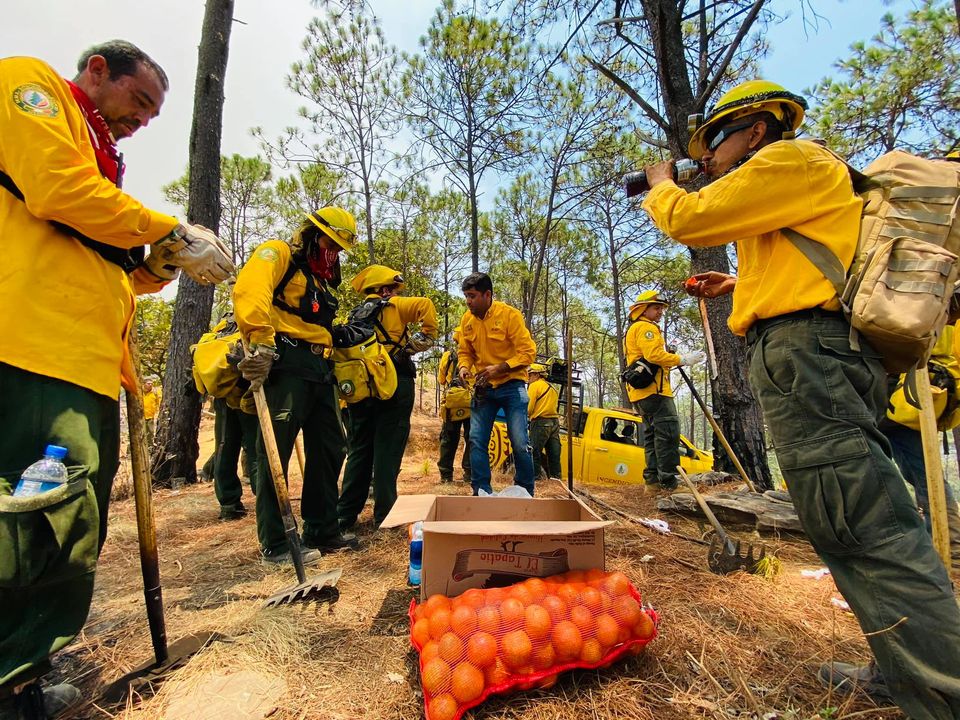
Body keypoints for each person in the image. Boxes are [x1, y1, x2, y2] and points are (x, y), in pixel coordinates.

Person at [648, 79, 960, 716]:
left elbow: (690, 217)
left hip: (810, 353)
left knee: (860, 518)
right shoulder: (791, 183)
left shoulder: (788, 160)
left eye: (713, 142)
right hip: (808, 352)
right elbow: (812, 262)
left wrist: (661, 185)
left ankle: (941, 690)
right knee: (847, 514)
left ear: (756, 129)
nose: (704, 159)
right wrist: (738, 281)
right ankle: (901, 666)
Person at [0, 41, 234, 717]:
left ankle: (26, 673)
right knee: (34, 522)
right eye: (139, 102)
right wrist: (170, 227)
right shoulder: (31, 89)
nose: (140, 121)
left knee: (72, 526)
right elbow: (52, 188)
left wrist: (160, 263)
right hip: (31, 350)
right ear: (98, 71)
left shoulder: (100, 168)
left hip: (88, 364)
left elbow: (113, 274)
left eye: (154, 115)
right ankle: (9, 682)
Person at [234, 207, 359, 564]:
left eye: (339, 248)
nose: (333, 253)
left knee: (332, 445)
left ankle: (321, 529)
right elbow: (249, 289)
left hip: (321, 368)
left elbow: (314, 322)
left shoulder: (320, 280)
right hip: (285, 363)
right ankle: (276, 542)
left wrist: (340, 336)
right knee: (275, 451)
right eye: (328, 243)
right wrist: (260, 339)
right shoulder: (278, 253)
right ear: (310, 235)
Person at [337, 265, 437, 530]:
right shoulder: (392, 306)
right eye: (392, 289)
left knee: (359, 451)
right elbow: (426, 305)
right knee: (387, 451)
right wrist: (417, 343)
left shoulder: (355, 315)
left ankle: (345, 515)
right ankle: (385, 516)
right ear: (383, 289)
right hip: (394, 383)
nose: (395, 294)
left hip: (362, 389)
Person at [881, 324, 960, 571]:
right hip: (911, 386)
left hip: (906, 387)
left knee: (923, 471)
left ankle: (950, 546)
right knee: (921, 470)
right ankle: (946, 544)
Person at [457, 272, 537, 496]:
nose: (468, 301)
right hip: (483, 388)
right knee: (476, 440)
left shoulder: (509, 315)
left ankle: (524, 492)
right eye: (466, 296)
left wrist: (500, 367)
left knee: (520, 442)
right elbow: (465, 351)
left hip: (512, 385)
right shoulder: (467, 320)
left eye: (472, 296)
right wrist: (464, 367)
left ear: (487, 294)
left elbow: (528, 352)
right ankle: (481, 491)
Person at [623, 291, 703, 489]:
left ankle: (653, 482)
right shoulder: (645, 328)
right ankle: (668, 481)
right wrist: (682, 359)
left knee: (652, 436)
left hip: (642, 393)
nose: (660, 312)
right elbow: (654, 355)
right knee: (668, 433)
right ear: (644, 309)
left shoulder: (637, 327)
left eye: (661, 309)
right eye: (656, 308)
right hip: (655, 392)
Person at [437, 329, 472, 484]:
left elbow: (442, 380)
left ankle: (446, 475)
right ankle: (469, 473)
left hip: (452, 403)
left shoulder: (448, 356)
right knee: (473, 438)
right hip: (472, 402)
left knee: (449, 438)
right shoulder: (475, 357)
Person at [527, 363, 561, 480]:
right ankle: (556, 479)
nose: (528, 378)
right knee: (554, 454)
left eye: (530, 375)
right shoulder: (553, 388)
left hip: (540, 422)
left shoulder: (535, 386)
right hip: (555, 423)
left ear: (536, 374)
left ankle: (536, 479)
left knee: (534, 452)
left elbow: (529, 408)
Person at [141, 377, 162, 446]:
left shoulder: (155, 393)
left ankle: (150, 448)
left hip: (150, 417)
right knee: (140, 433)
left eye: (151, 384)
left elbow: (159, 403)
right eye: (148, 383)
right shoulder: (140, 392)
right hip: (140, 417)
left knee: (150, 433)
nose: (150, 385)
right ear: (144, 384)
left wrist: (157, 412)